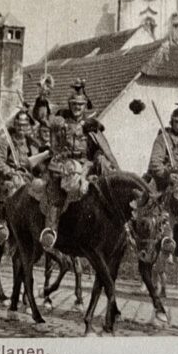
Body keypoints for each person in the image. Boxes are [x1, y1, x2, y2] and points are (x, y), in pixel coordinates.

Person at [39, 81, 110, 249]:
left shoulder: (91, 125)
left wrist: (98, 158)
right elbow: (43, 119)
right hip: (64, 164)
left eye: (80, 105)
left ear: (85, 106)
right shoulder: (61, 120)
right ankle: (51, 230)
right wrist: (43, 99)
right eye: (74, 104)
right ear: (70, 105)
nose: (77, 107)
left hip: (86, 164)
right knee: (56, 193)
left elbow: (100, 149)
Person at [0, 108, 38, 243]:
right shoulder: (5, 140)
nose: (21, 128)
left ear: (28, 126)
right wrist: (10, 172)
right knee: (9, 190)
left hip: (27, 177)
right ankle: (2, 225)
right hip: (8, 177)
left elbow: (36, 162)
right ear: (14, 125)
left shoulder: (32, 143)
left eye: (25, 125)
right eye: (19, 125)